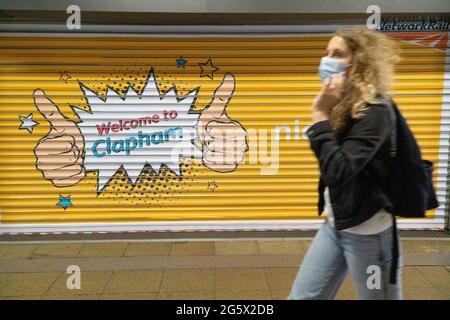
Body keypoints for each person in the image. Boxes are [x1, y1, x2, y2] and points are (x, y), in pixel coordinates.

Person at [288, 26, 403, 300]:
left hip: (369, 235)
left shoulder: (377, 111)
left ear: (359, 62)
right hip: (335, 224)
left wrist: (319, 115)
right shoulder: (342, 104)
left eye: (337, 53)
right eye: (326, 52)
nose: (327, 60)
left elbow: (338, 170)